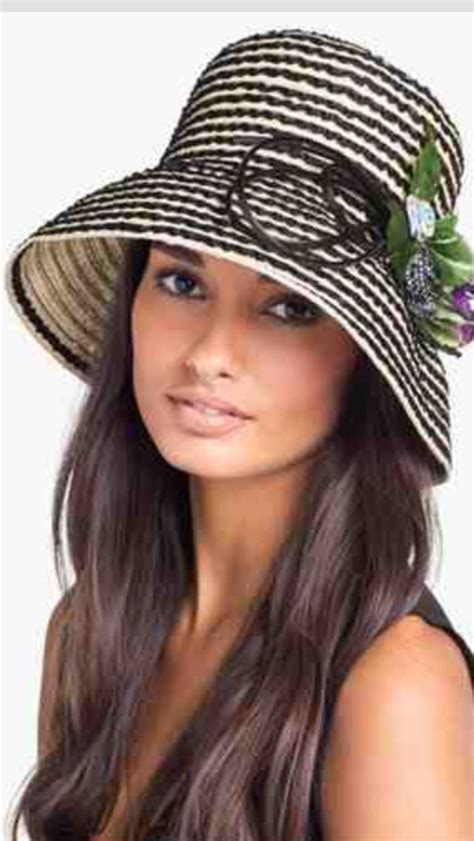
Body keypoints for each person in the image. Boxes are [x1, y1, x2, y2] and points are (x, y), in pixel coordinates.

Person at [5, 26, 474, 841]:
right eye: (182, 280)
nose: (211, 353)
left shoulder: (389, 683)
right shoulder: (90, 633)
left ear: (366, 360)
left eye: (290, 305)